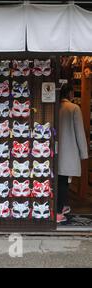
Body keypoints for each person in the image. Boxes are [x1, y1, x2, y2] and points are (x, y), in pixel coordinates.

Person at [57, 83, 89, 223]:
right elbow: (80, 133)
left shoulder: (55, 107)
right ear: (70, 93)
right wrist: (84, 153)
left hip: (54, 150)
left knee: (58, 180)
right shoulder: (74, 108)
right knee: (64, 181)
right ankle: (58, 213)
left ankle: (61, 207)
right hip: (68, 150)